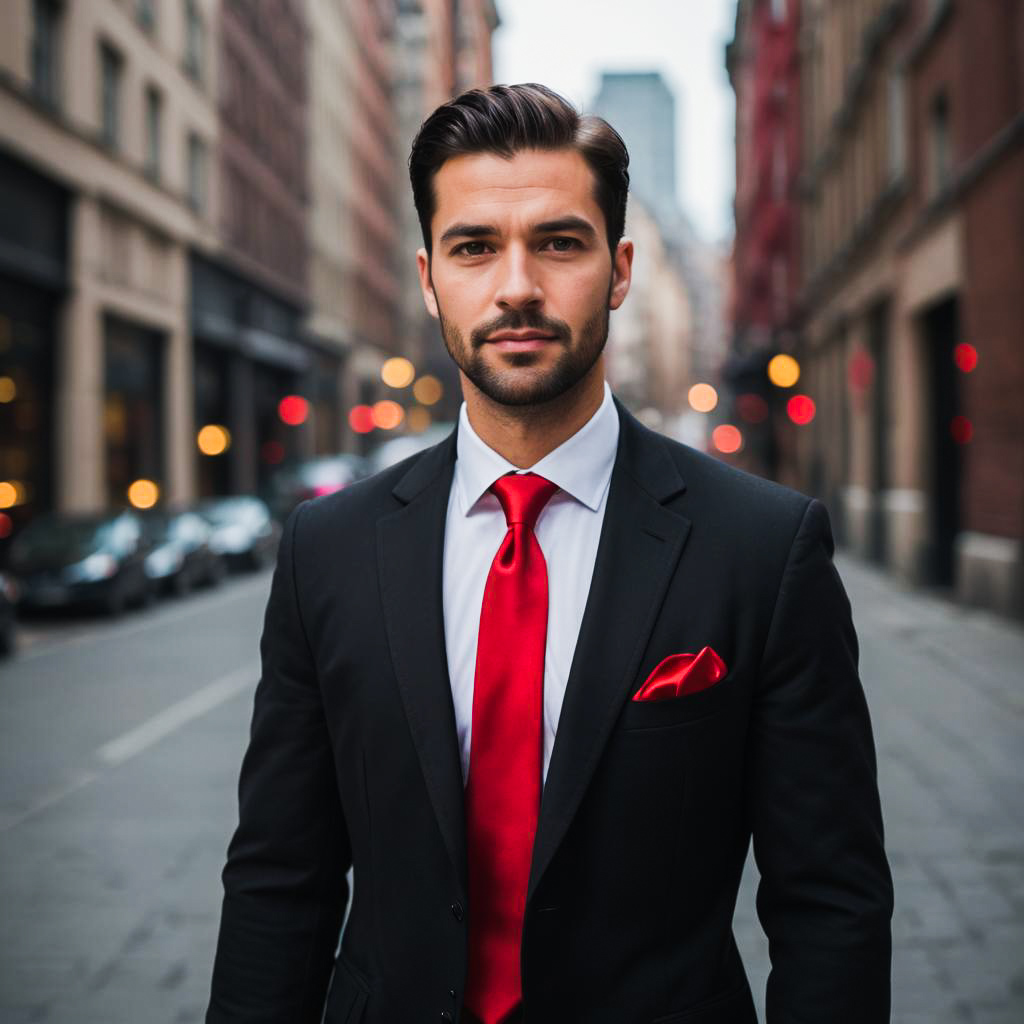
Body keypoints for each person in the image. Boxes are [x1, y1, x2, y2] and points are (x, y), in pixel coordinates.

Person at [206, 84, 893, 1024]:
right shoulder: (328, 549)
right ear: (427, 276)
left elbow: (832, 902)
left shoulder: (763, 549)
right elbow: (280, 881)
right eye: (475, 246)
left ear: (618, 271)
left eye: (559, 243)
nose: (517, 284)